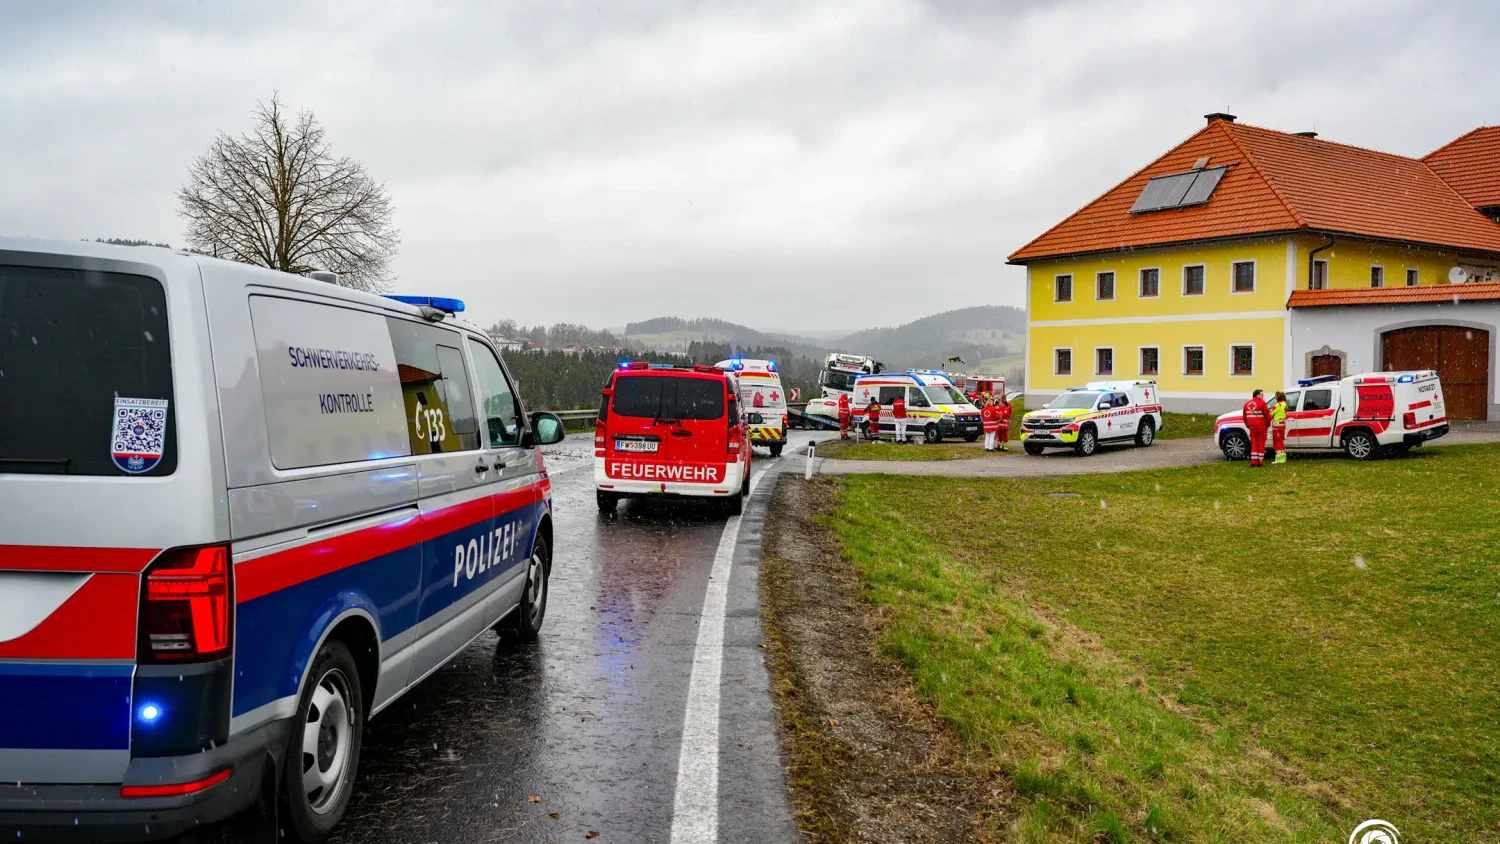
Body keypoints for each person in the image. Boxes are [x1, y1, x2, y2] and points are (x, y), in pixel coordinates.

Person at [1242, 389, 1271, 467]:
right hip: (1261, 426)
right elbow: (1267, 416)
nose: (1263, 396)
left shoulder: (1247, 404)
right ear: (1257, 395)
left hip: (1252, 427)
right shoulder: (1262, 403)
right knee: (1261, 444)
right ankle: (1260, 462)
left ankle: (1254, 462)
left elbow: (1244, 417)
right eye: (1262, 394)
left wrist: (1249, 425)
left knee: (1254, 444)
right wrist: (1267, 424)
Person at [1269, 390, 1289, 464]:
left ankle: (1278, 459)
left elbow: (1271, 413)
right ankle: (1283, 459)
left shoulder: (1278, 405)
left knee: (1277, 442)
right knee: (1281, 441)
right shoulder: (1285, 404)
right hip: (1282, 425)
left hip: (1277, 426)